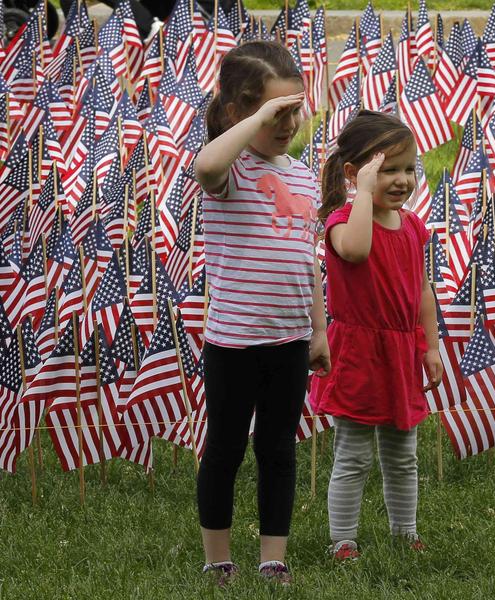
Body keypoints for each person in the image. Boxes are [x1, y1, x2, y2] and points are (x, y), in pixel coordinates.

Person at [193, 40, 330, 586]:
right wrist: (254, 125)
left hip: (290, 340)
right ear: (237, 113)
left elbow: (308, 259)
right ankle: (217, 558)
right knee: (225, 448)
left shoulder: (297, 174)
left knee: (278, 450)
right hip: (233, 342)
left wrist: (318, 330)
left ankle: (273, 556)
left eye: (294, 110)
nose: (287, 122)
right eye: (275, 112)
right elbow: (206, 164)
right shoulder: (231, 171)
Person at [311, 110, 443, 561]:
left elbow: (422, 289)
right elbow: (357, 249)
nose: (403, 180)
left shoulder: (412, 226)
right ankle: (343, 540)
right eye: (388, 169)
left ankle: (405, 531)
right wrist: (362, 194)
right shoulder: (343, 221)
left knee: (403, 454)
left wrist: (432, 347)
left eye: (409, 168)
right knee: (353, 456)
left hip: (402, 352)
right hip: (360, 356)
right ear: (355, 173)